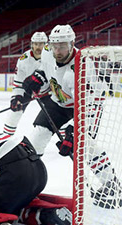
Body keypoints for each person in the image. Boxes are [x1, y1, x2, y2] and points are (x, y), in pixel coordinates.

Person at [23, 25, 120, 202]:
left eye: (63, 46)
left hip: (87, 105)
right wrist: (39, 77)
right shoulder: (47, 51)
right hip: (59, 101)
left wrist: (74, 131)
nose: (58, 51)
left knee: (85, 146)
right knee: (37, 137)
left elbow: (87, 104)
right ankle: (25, 177)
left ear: (73, 43)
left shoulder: (82, 67)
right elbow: (47, 69)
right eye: (55, 46)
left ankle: (111, 185)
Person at [3, 32, 48, 135]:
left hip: (48, 91)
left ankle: (67, 141)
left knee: (56, 115)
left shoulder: (53, 56)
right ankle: (6, 138)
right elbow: (18, 82)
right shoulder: (24, 60)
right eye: (35, 44)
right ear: (31, 44)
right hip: (29, 91)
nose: (38, 47)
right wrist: (16, 97)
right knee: (15, 112)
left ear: (46, 44)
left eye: (41, 44)